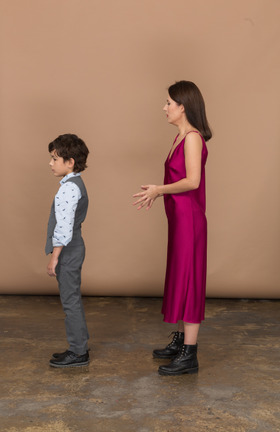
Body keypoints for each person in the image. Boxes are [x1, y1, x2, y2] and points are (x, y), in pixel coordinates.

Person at [133, 80, 212, 375]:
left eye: (168, 103)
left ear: (183, 106)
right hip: (179, 221)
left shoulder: (192, 138)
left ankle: (189, 354)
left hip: (189, 221)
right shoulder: (180, 137)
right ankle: (181, 341)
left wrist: (158, 190)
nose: (164, 108)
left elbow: (192, 181)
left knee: (189, 280)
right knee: (181, 277)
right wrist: (160, 193)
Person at [45, 133, 90, 368]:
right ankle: (79, 345)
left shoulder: (68, 189)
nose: (51, 163)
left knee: (70, 300)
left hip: (68, 250)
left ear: (70, 161)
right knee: (72, 299)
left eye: (55, 158)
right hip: (75, 247)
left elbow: (63, 228)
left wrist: (54, 258)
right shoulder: (74, 184)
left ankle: (78, 351)